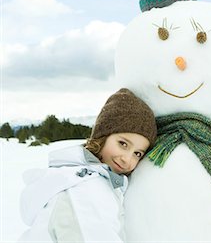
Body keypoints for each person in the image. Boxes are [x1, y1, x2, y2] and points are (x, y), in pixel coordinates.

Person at [18, 88, 157, 243]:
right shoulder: (86, 189)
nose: (127, 159)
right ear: (102, 136)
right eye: (123, 144)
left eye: (137, 153)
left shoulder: (79, 177)